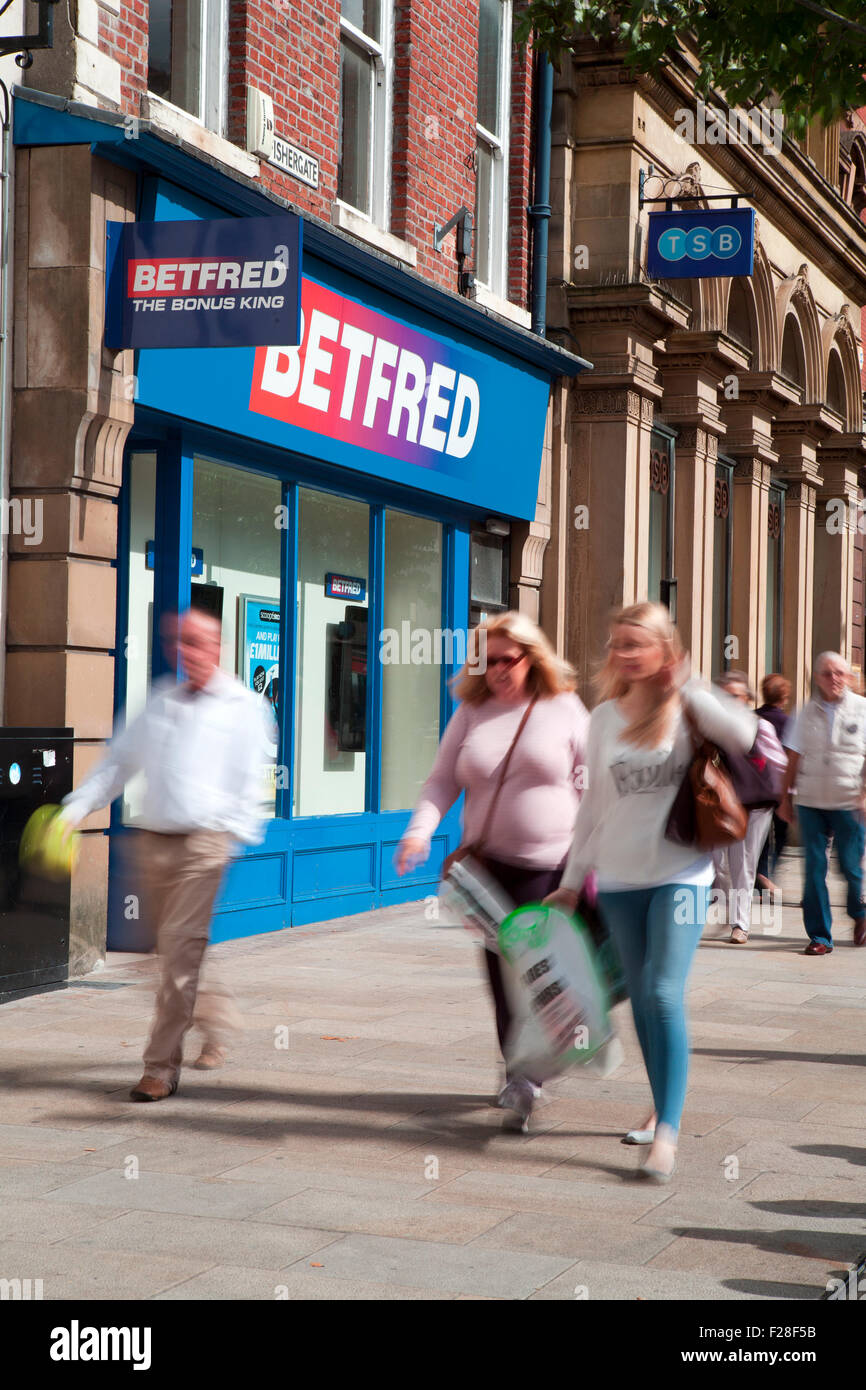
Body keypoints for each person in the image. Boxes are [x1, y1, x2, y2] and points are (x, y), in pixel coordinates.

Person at [546, 602, 756, 1182]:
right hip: (617, 881)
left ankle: (667, 1130)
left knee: (663, 994)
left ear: (665, 650)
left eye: (636, 644)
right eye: (616, 644)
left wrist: (691, 681)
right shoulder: (604, 718)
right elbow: (592, 806)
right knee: (641, 1001)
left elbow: (744, 734)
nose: (623, 654)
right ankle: (661, 1104)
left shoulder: (688, 706)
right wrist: (570, 883)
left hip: (682, 876)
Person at [59, 608, 273, 1100]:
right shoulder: (159, 702)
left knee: (178, 952)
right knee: (164, 955)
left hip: (205, 844)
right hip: (152, 842)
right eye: (179, 643)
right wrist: (73, 811)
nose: (186, 652)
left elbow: (251, 781)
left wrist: (234, 838)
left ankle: (159, 1069)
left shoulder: (243, 707)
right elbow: (117, 764)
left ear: (217, 647)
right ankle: (216, 1020)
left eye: (197, 643)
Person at [395, 611, 589, 1131]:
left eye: (508, 659)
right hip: (486, 872)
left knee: (541, 979)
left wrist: (588, 862)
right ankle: (518, 1075)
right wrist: (418, 832)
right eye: (487, 660)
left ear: (532, 658)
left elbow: (594, 790)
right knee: (502, 980)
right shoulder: (471, 711)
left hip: (551, 871)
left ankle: (532, 1074)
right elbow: (441, 782)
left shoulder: (564, 708)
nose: (498, 669)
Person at [778, 651, 866, 954]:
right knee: (814, 868)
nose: (834, 679)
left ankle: (860, 913)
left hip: (849, 802)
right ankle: (819, 936)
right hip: (811, 801)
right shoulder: (806, 711)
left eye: (839, 673)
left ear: (848, 677)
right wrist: (785, 798)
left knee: (851, 868)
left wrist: (864, 794)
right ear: (817, 678)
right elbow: (793, 757)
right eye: (827, 673)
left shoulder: (862, 709)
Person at [711, 671, 785, 945]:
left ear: (747, 698)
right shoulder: (711, 726)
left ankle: (740, 924)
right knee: (717, 864)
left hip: (753, 805)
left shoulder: (759, 725)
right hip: (719, 804)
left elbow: (779, 762)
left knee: (742, 865)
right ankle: (729, 908)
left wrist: (789, 795)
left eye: (735, 696)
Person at [755, 673, 792, 896]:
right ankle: (767, 876)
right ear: (784, 697)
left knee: (760, 836)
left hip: (755, 785)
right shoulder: (787, 722)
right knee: (781, 834)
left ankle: (761, 874)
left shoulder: (752, 717)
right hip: (779, 787)